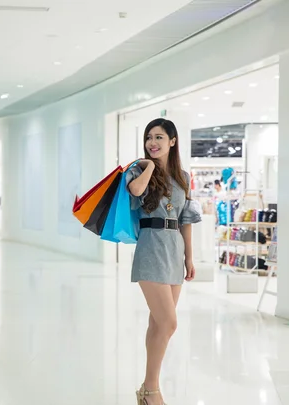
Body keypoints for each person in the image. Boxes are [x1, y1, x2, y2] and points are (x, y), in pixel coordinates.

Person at [126, 118, 201, 405]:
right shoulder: (139, 169)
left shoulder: (183, 176)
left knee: (158, 324)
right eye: (148, 138)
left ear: (173, 141)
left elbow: (187, 219)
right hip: (150, 245)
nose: (152, 143)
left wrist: (189, 256)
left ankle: (147, 391)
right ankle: (151, 389)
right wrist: (149, 166)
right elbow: (135, 192)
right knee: (169, 322)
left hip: (174, 248)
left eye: (158, 137)